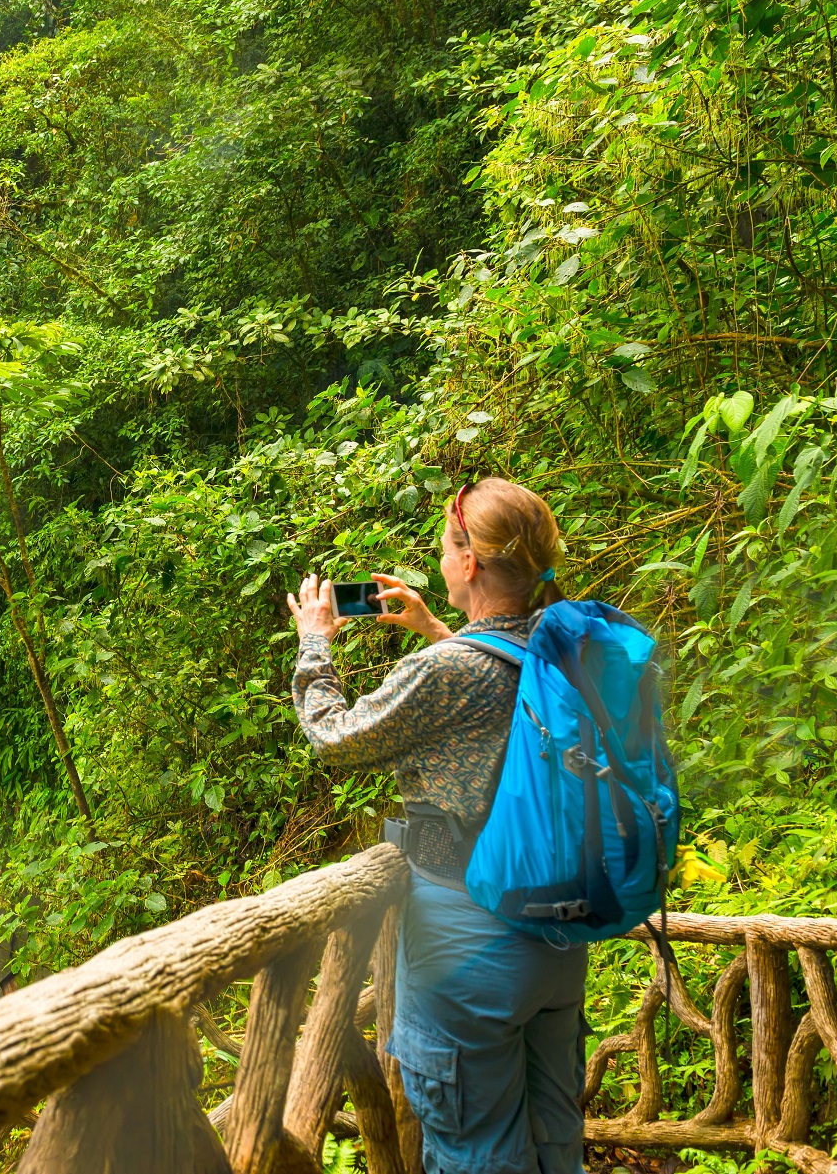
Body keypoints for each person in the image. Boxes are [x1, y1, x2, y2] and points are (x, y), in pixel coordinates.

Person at [285, 477, 583, 1174]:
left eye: (447, 547)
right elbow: (499, 695)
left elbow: (335, 736)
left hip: (469, 940)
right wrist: (435, 630)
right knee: (553, 1134)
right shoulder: (553, 644)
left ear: (470, 562)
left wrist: (314, 642)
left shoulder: (448, 672)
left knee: (477, 1148)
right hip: (559, 933)